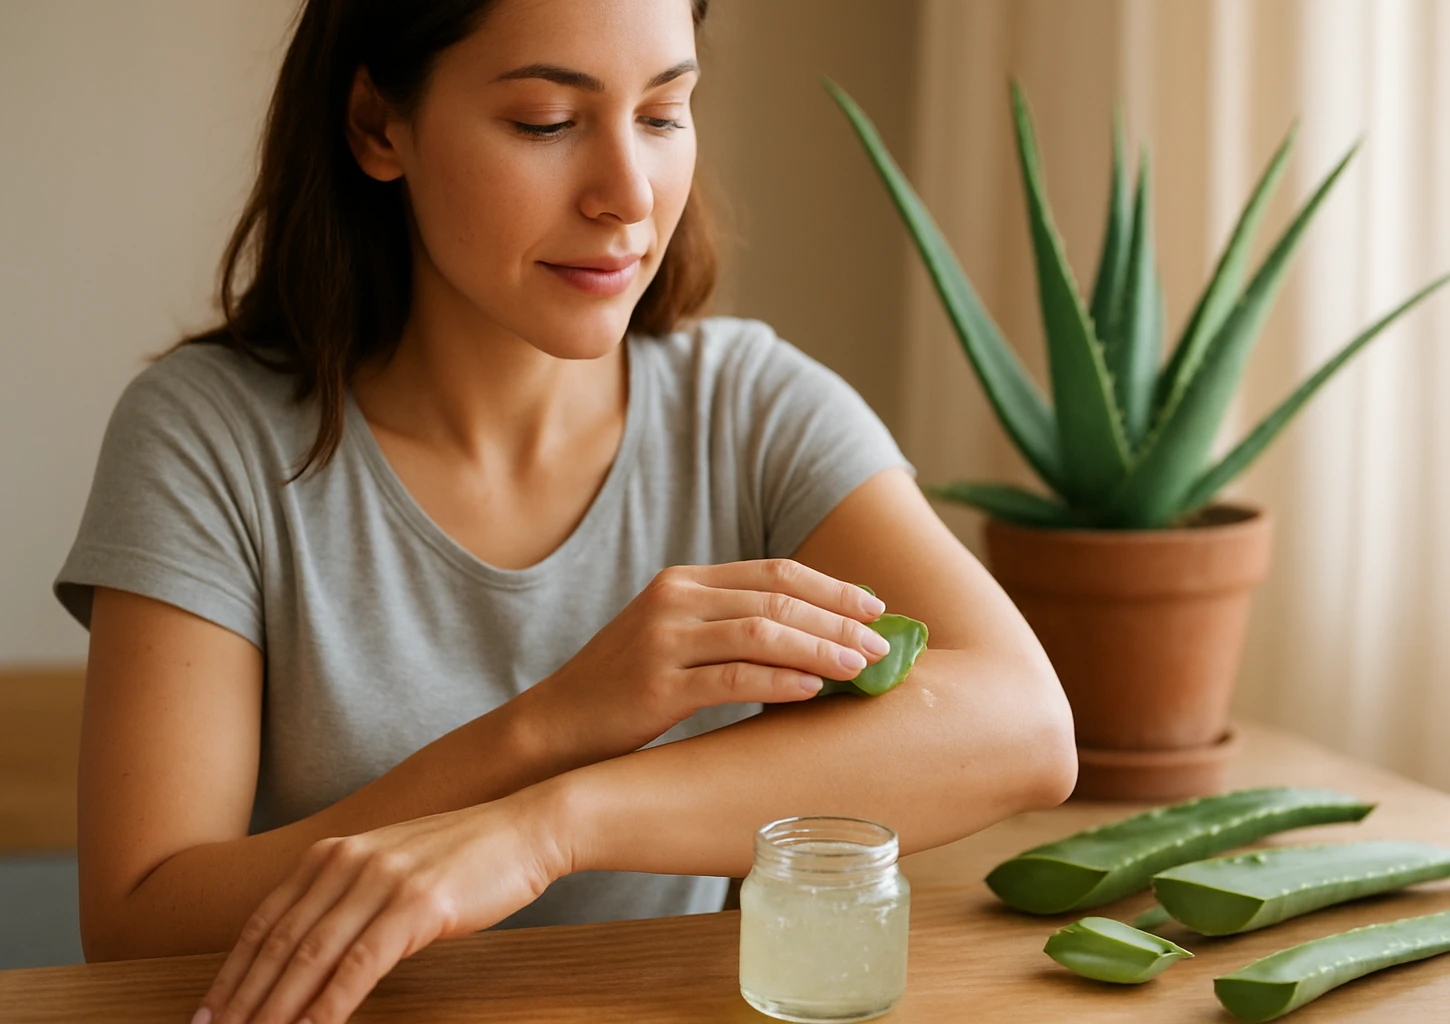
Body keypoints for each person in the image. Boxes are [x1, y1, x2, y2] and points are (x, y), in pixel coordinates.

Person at [53, 0, 1076, 1021]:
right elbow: (137, 923)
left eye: (666, 112)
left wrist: (549, 825)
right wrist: (550, 726)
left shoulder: (753, 407)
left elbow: (1024, 726)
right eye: (546, 121)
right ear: (377, 124)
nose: (627, 196)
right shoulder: (206, 434)